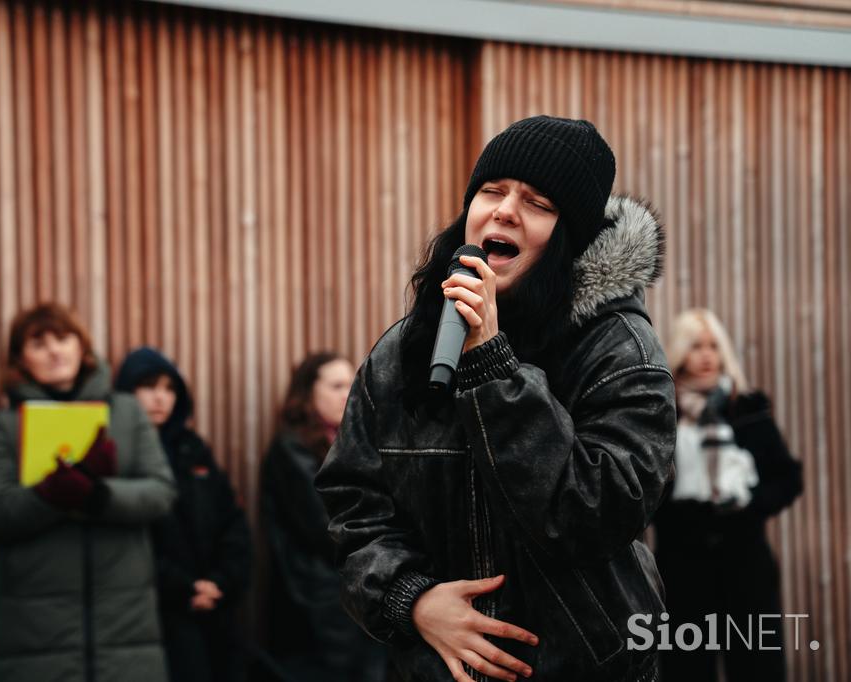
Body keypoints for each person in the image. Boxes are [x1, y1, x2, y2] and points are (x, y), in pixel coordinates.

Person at [315, 115, 676, 682]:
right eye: (492, 191)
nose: (505, 210)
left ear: (568, 238)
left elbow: (590, 514)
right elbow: (351, 505)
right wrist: (412, 600)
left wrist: (491, 365)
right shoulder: (401, 351)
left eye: (537, 202)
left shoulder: (619, 349)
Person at [0, 303, 176, 682]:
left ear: (82, 347)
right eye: (38, 343)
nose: (54, 351)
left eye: (63, 338)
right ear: (20, 359)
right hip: (34, 627)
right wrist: (51, 493)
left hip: (125, 622)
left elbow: (161, 492)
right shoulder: (6, 426)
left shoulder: (127, 413)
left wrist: (96, 494)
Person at [654, 309, 802, 682]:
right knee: (686, 668)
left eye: (713, 346)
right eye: (696, 346)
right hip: (681, 561)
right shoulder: (660, 413)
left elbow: (787, 478)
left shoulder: (748, 410)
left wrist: (751, 504)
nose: (706, 356)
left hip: (746, 558)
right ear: (679, 352)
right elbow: (644, 489)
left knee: (757, 668)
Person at [115, 346, 253, 682]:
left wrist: (220, 581)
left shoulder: (193, 448)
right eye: (148, 387)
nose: (160, 398)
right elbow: (129, 539)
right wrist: (184, 588)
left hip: (215, 608)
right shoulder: (116, 453)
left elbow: (232, 521)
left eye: (169, 388)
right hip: (153, 614)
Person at [261, 352, 388, 682]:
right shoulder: (292, 451)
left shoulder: (353, 440)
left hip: (356, 596)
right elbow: (325, 527)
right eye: (335, 385)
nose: (347, 393)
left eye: (350, 383)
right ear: (308, 393)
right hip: (316, 604)